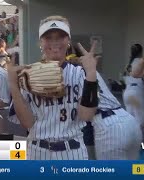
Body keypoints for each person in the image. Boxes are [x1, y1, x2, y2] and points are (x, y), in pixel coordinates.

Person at [8, 15, 99, 160]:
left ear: (68, 41)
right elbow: (27, 123)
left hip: (72, 151)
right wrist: (13, 84)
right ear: (40, 42)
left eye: (61, 36)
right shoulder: (27, 74)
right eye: (48, 37)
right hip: (38, 151)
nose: (54, 42)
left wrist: (91, 73)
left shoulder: (79, 73)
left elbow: (86, 116)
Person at [122, 44, 144, 128]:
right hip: (136, 91)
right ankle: (138, 140)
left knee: (130, 119)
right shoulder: (141, 62)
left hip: (127, 91)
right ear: (141, 52)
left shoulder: (128, 64)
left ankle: (131, 139)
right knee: (140, 120)